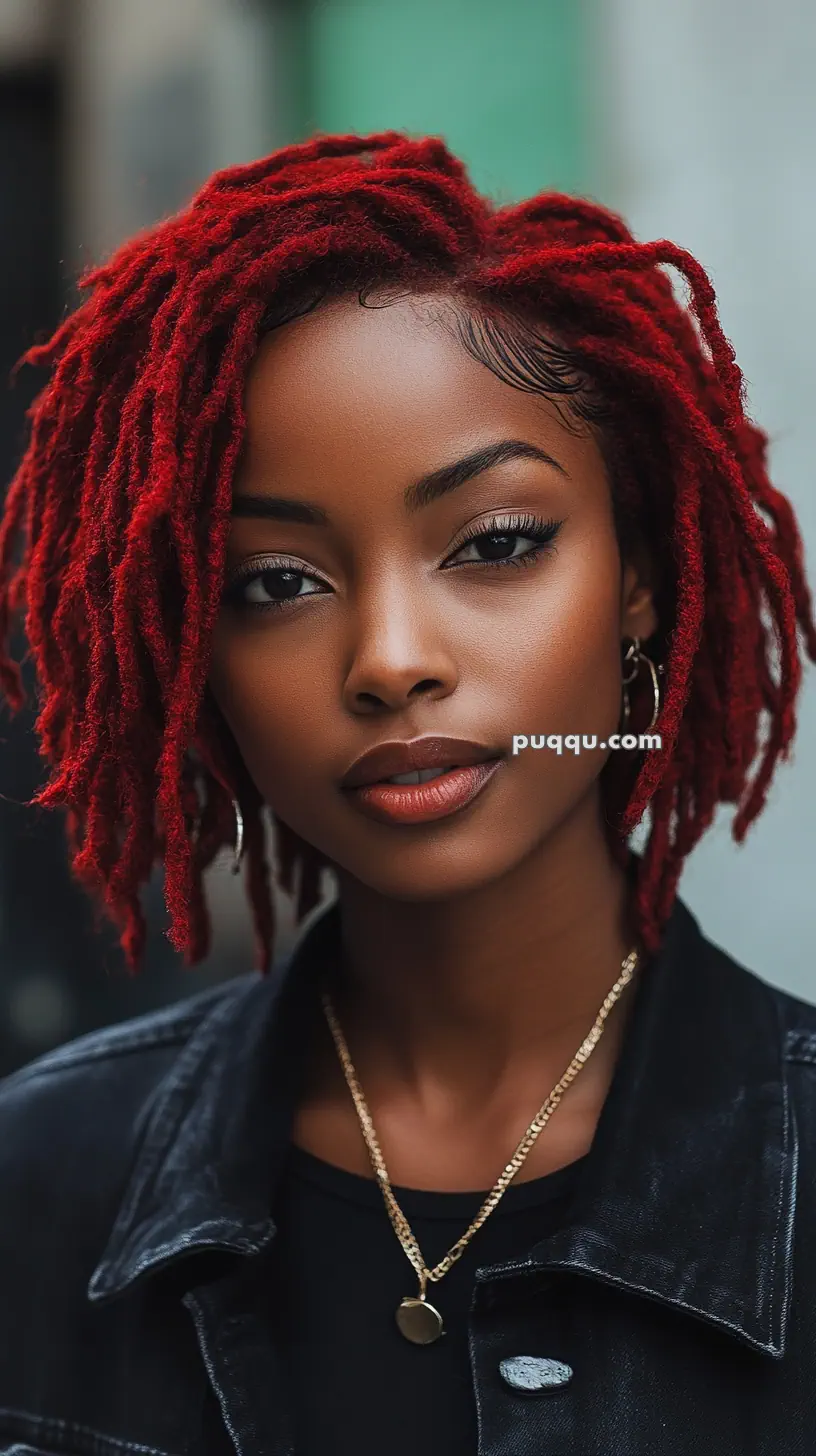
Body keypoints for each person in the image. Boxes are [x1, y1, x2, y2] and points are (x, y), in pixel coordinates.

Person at [0, 128, 814, 1456]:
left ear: (642, 584)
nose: (389, 662)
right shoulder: (37, 1182)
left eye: (495, 544)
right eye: (278, 581)